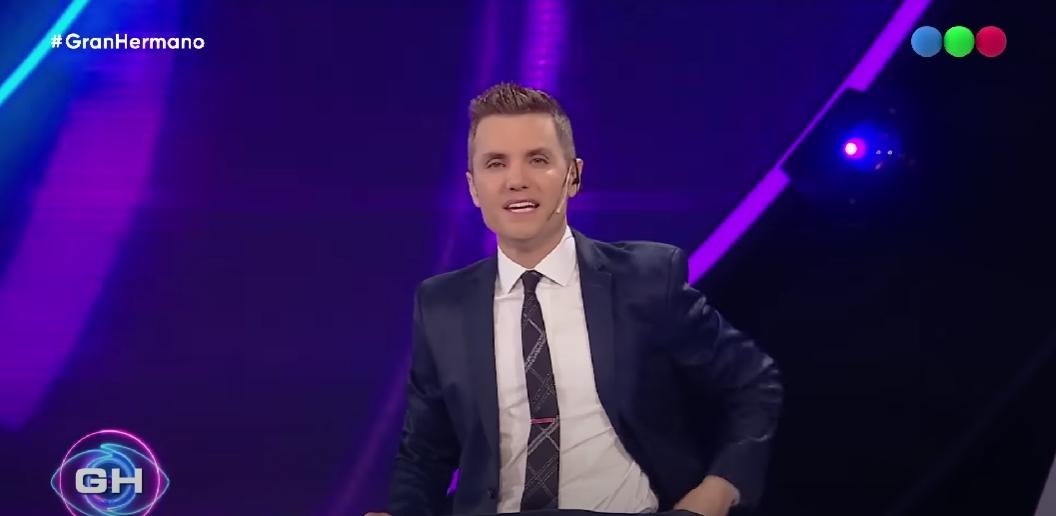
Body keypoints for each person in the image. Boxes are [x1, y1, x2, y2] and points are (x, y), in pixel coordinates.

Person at [370, 83, 782, 516]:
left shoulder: (645, 280)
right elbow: (426, 452)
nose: (516, 180)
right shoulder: (441, 305)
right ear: (474, 188)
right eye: (496, 163)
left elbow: (754, 383)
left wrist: (714, 494)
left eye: (538, 160)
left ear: (573, 176)